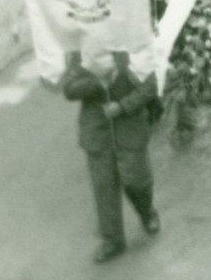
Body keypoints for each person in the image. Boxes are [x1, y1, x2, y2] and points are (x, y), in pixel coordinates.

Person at [62, 49, 160, 264]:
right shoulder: (80, 48)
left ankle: (146, 212)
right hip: (97, 131)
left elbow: (150, 85)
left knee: (137, 180)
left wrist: (123, 107)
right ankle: (112, 240)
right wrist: (97, 80)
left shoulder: (131, 42)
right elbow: (69, 89)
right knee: (104, 186)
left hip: (130, 126)